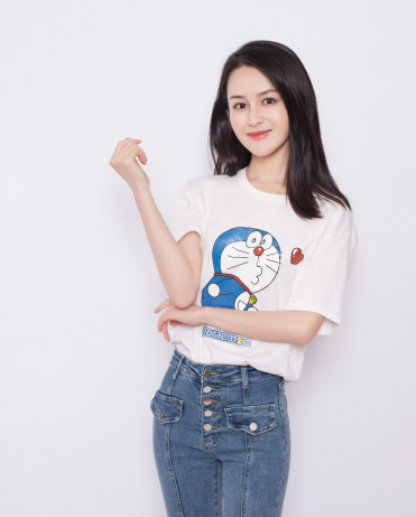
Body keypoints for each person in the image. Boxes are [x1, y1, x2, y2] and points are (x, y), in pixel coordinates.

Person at [109, 40, 359, 517]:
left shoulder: (327, 215)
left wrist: (205, 315)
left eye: (268, 100)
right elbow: (182, 291)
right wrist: (141, 190)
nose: (253, 117)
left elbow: (301, 326)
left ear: (295, 102)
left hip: (254, 408)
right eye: (239, 105)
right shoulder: (204, 194)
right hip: (180, 400)